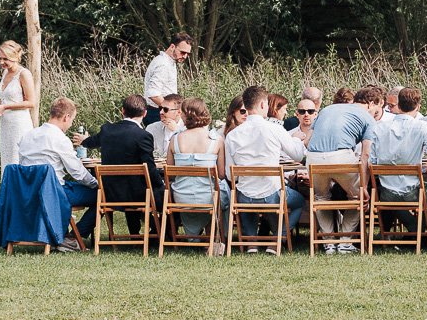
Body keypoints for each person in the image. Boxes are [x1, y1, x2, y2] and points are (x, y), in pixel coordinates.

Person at [223, 86, 310, 249]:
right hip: (272, 195)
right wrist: (297, 140)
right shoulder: (275, 129)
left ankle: (251, 243)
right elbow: (298, 155)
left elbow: (229, 174)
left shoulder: (233, 135)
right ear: (263, 104)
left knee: (246, 194)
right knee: (298, 201)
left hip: (244, 197)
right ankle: (279, 237)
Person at [306, 86, 384, 252]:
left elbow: (307, 141)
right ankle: (345, 242)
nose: (377, 114)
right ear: (371, 104)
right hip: (341, 156)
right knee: (357, 198)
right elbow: (366, 155)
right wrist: (363, 186)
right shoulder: (368, 119)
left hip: (314, 157)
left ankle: (328, 244)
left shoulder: (327, 109)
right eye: (377, 109)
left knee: (321, 198)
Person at [18, 97, 100, 241]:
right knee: (103, 196)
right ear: (66, 117)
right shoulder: (60, 139)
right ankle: (75, 236)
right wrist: (97, 184)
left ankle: (70, 234)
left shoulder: (27, 136)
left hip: (27, 191)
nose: (70, 123)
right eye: (72, 119)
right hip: (53, 192)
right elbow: (78, 173)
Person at [81, 95, 164, 230]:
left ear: (122, 111)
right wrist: (161, 185)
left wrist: (83, 140)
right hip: (137, 195)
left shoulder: (106, 130)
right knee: (161, 192)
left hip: (110, 193)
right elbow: (149, 167)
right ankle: (161, 233)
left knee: (134, 184)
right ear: (145, 113)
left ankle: (136, 234)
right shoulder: (143, 136)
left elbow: (91, 142)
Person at [371, 88, 427, 238]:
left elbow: (372, 162)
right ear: (417, 106)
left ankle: (401, 232)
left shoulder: (380, 127)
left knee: (396, 198)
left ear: (399, 104)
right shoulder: (420, 126)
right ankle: (418, 230)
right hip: (412, 193)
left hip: (384, 193)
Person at [165, 98, 226, 239]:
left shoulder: (175, 139)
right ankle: (215, 237)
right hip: (209, 197)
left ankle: (194, 236)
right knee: (224, 194)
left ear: (185, 116)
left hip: (181, 197)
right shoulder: (216, 140)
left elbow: (170, 173)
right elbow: (221, 174)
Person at [0, 41, 35, 171]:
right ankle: (9, 189)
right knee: (7, 159)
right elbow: (7, 97)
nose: (1, 62)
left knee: (17, 158)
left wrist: (6, 107)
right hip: (6, 124)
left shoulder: (23, 74)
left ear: (15, 58)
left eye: (6, 59)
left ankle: (21, 189)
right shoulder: (5, 72)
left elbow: (31, 102)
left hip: (19, 124)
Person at [143, 33, 193, 126]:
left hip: (160, 111)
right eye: (182, 52)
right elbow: (153, 93)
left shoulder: (167, 61)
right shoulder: (163, 64)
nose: (185, 56)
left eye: (188, 54)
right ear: (172, 46)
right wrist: (169, 110)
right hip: (157, 113)